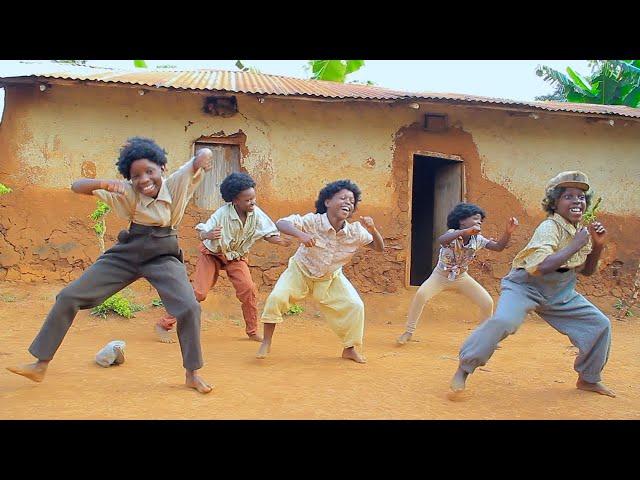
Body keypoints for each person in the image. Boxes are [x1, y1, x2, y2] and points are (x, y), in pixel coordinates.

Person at [7, 137, 214, 394]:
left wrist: (204, 153)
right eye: (135, 175)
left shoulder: (176, 183)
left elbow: (196, 161)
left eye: (149, 171)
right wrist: (105, 183)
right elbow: (77, 186)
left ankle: (192, 374)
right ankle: (40, 364)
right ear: (129, 178)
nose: (144, 179)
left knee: (189, 307)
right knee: (69, 296)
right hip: (128, 253)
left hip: (163, 255)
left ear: (162, 167)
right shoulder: (127, 192)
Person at [450, 171, 615, 398]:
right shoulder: (549, 227)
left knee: (599, 324)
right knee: (504, 321)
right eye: (568, 196)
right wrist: (576, 245)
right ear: (554, 204)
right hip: (525, 286)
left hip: (560, 291)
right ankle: (464, 369)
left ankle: (588, 379)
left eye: (581, 197)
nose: (577, 200)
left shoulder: (579, 232)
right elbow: (543, 267)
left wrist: (597, 246)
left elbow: (586, 271)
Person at [256, 180, 385, 363]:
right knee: (277, 297)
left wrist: (372, 229)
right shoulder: (312, 221)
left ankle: (349, 349)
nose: (348, 202)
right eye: (343, 198)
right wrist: (301, 235)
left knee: (355, 306)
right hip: (300, 271)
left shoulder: (354, 232)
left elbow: (379, 247)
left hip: (330, 277)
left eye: (352, 200)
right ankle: (266, 341)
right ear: (327, 202)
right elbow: (281, 223)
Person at [155, 172, 291, 343]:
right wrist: (209, 234)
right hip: (212, 254)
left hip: (236, 257)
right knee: (199, 292)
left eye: (253, 198)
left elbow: (267, 233)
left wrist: (279, 241)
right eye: (247, 200)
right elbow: (203, 232)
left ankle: (252, 330)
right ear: (235, 201)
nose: (252, 202)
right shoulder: (222, 214)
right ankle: (164, 324)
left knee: (248, 289)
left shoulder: (256, 213)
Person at [397, 203, 518, 345]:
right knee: (421, 295)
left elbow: (498, 247)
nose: (479, 222)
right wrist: (464, 233)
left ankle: (484, 338)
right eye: (475, 218)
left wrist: (508, 232)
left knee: (487, 302)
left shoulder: (478, 239)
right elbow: (441, 240)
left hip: (461, 277)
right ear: (462, 221)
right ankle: (408, 332)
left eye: (480, 220)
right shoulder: (452, 234)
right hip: (440, 276)